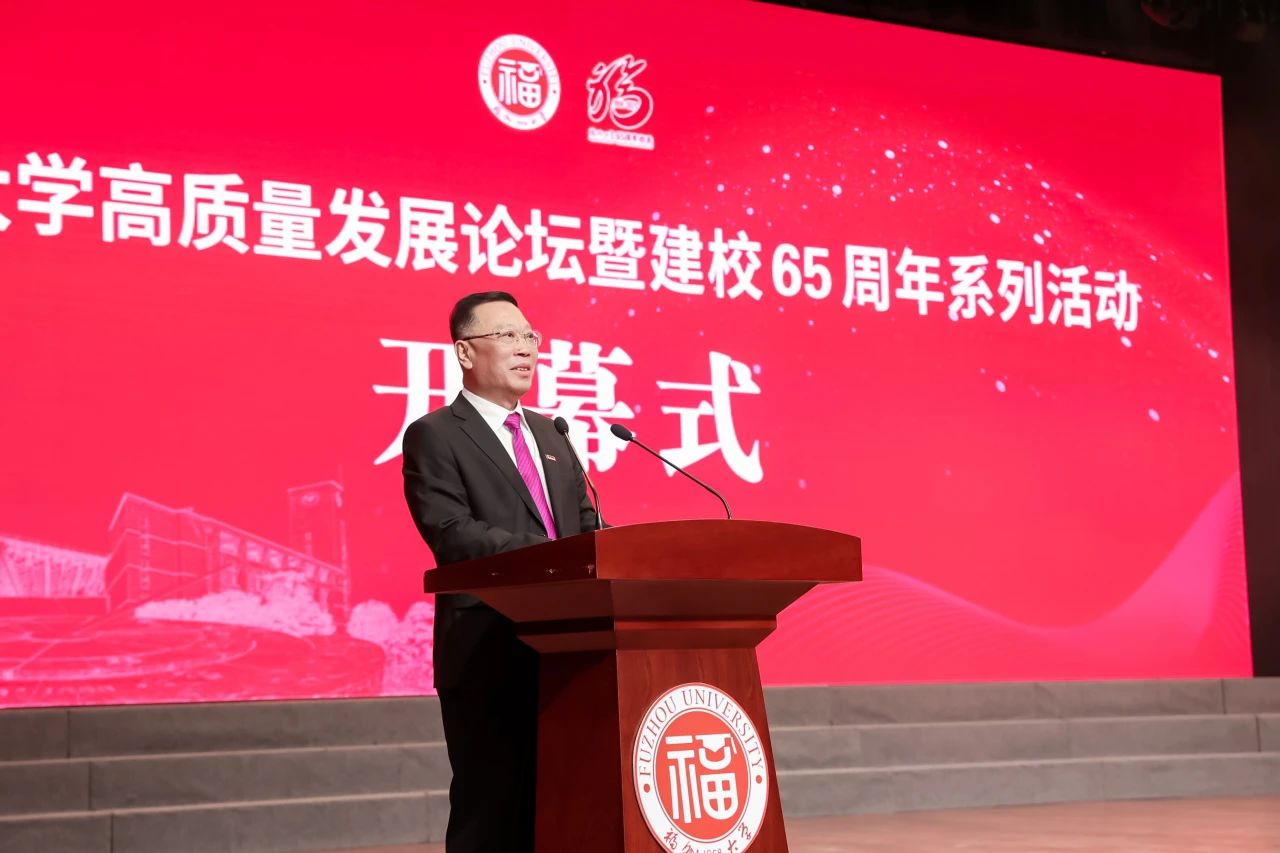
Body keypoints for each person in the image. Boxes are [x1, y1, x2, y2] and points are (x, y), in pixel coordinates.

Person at [401, 291, 598, 852]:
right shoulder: (436, 433)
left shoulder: (552, 434)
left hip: (568, 649)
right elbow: (451, 532)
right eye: (507, 335)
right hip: (488, 647)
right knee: (491, 813)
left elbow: (586, 526)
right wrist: (549, 555)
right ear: (465, 352)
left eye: (530, 336)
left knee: (562, 806)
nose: (525, 348)